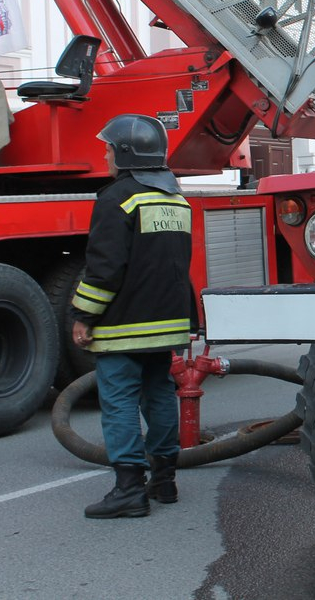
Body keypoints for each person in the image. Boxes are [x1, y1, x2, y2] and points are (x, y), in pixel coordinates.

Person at [72, 114, 194, 519]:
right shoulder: (177, 199)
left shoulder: (117, 197)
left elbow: (105, 268)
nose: (105, 154)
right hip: (168, 322)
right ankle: (165, 481)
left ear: (125, 152)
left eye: (108, 148)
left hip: (124, 323)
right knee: (159, 394)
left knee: (120, 400)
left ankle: (128, 489)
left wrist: (83, 315)